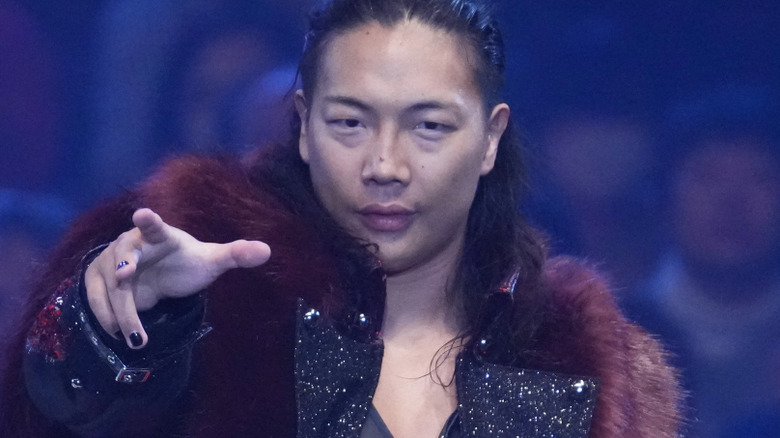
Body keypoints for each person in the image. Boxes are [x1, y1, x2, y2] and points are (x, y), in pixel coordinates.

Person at [0, 0, 681, 436]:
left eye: (429, 126)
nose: (385, 163)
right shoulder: (205, 273)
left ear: (490, 141)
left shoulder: (579, 355)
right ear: (302, 127)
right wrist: (124, 329)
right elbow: (48, 412)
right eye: (351, 123)